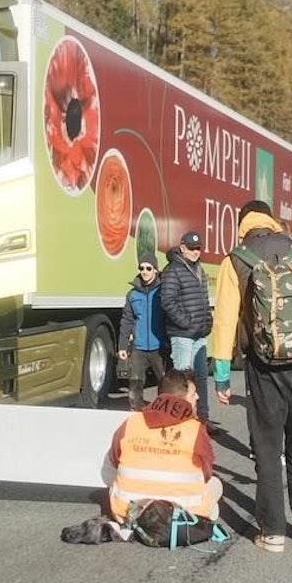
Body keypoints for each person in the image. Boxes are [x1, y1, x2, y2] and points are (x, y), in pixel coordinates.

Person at [211, 201, 292, 552]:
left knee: (267, 449)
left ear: (242, 225)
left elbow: (224, 319)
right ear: (271, 219)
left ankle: (271, 532)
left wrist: (221, 373)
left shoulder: (235, 259)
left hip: (262, 366)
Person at [107, 369, 221, 540]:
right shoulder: (195, 429)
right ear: (180, 400)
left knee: (114, 475)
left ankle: (129, 519)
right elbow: (205, 474)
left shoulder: (132, 422)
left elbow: (114, 459)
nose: (197, 398)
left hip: (129, 509)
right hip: (184, 512)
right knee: (216, 485)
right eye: (193, 394)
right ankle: (194, 519)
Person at [161, 231, 212, 426]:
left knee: (200, 378)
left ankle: (202, 418)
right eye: (191, 248)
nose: (195, 252)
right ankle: (180, 420)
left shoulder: (198, 269)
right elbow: (167, 300)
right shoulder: (173, 270)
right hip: (183, 335)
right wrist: (186, 322)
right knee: (182, 380)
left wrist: (208, 320)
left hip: (199, 334)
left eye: (198, 249)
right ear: (182, 247)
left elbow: (204, 300)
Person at [117, 250, 167, 411]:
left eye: (148, 268)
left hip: (159, 346)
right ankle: (136, 412)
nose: (144, 272)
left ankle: (164, 411)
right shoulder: (132, 295)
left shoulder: (163, 291)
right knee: (135, 381)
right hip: (138, 347)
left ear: (156, 270)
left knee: (165, 382)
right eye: (141, 268)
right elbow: (127, 320)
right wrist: (122, 346)